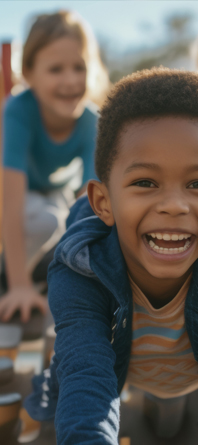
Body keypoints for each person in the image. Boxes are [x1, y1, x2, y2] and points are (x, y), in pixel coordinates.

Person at [24, 68, 198, 444]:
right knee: (68, 406)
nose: (174, 205)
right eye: (145, 182)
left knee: (183, 422)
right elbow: (86, 374)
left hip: (196, 372)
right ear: (103, 203)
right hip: (114, 371)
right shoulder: (81, 265)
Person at [0, 11, 109, 323]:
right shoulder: (19, 110)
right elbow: (11, 200)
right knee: (47, 221)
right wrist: (18, 285)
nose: (70, 80)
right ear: (29, 74)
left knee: (69, 221)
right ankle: (13, 280)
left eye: (79, 67)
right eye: (56, 69)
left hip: (56, 191)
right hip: (14, 193)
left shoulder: (92, 121)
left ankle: (48, 280)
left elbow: (91, 201)